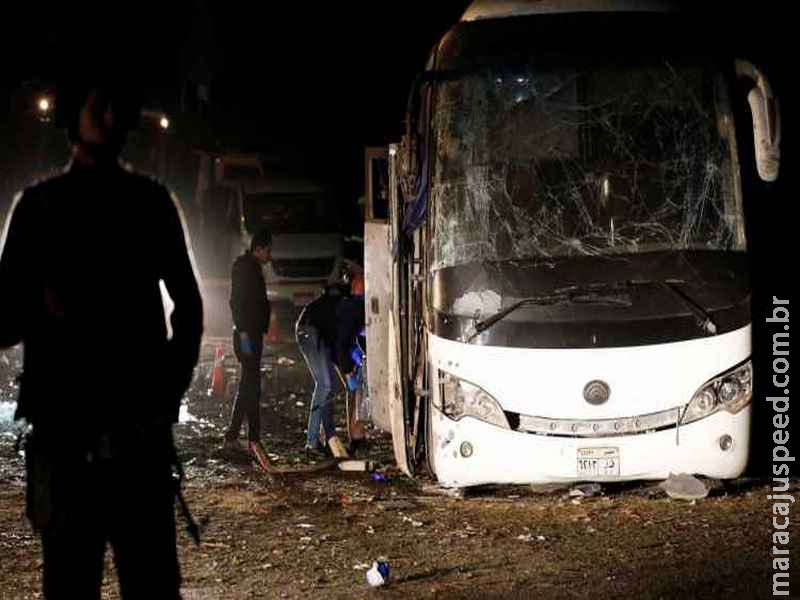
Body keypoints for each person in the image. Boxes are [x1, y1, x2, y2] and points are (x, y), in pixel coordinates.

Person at [0, 73, 203, 598]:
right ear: (74, 114)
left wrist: (166, 395)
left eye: (118, 100)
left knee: (142, 582)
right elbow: (5, 321)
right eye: (100, 100)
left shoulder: (144, 203)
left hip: (127, 434)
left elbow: (189, 305)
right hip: (73, 437)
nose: (112, 112)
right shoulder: (45, 208)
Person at [223, 229, 273, 472]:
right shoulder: (245, 268)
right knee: (249, 385)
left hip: (250, 334)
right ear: (259, 249)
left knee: (250, 384)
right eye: (268, 250)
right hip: (246, 336)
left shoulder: (250, 268)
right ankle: (238, 436)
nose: (270, 256)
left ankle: (251, 437)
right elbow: (237, 302)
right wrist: (243, 333)